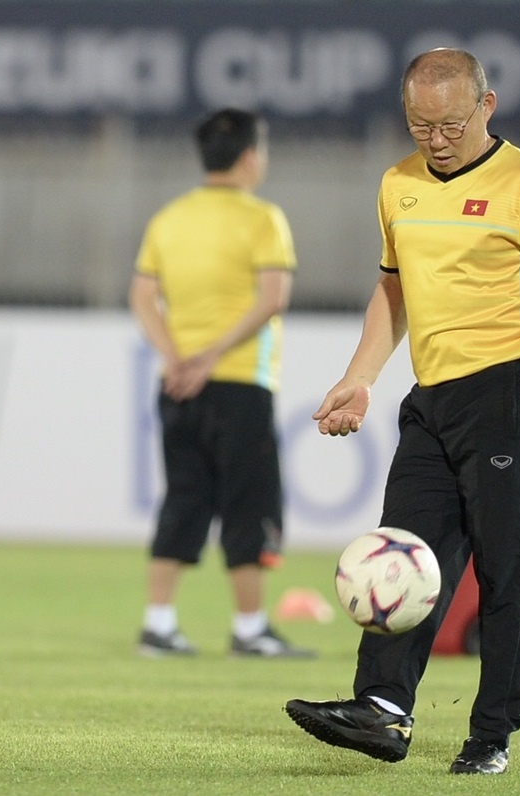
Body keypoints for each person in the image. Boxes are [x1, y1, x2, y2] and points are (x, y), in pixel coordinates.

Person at [284, 48, 520, 774]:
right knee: (404, 552)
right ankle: (381, 709)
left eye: (449, 125)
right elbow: (393, 291)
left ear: (486, 107)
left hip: (514, 389)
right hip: (431, 399)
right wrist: (360, 376)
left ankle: (490, 734)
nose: (433, 139)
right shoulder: (396, 184)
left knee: (505, 567)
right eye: (418, 124)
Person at [129, 108, 314, 659]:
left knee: (183, 499)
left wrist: (177, 358)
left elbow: (142, 296)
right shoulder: (263, 219)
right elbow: (273, 298)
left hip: (177, 384)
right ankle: (250, 629)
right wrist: (209, 357)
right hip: (239, 383)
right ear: (251, 156)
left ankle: (158, 625)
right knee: (249, 502)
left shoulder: (169, 218)